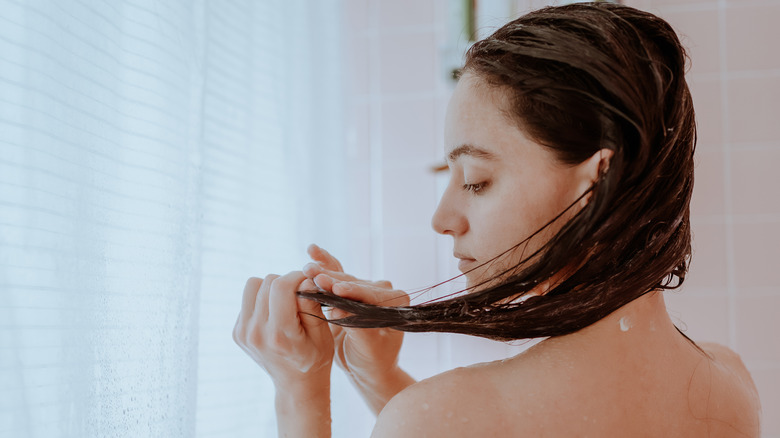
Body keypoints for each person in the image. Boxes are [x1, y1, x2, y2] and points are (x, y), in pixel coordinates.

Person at [232, 3, 762, 436]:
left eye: (475, 181)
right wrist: (381, 376)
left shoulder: (437, 418)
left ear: (598, 181)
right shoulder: (730, 387)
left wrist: (300, 395)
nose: (442, 219)